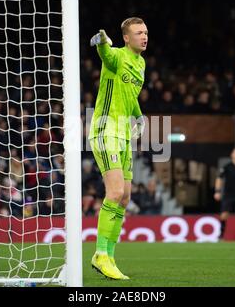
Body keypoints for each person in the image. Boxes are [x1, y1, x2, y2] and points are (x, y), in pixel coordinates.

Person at [88, 17, 148, 280]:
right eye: (138, 33)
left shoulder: (141, 63)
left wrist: (140, 116)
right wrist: (101, 40)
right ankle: (100, 254)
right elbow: (104, 52)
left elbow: (131, 97)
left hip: (124, 135)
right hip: (106, 129)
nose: (144, 36)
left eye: (146, 32)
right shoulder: (115, 56)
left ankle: (110, 256)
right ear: (126, 37)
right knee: (115, 192)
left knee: (125, 198)